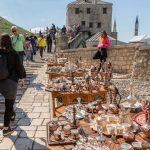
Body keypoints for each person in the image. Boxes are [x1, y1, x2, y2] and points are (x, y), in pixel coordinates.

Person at [0, 33, 26, 136]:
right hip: (10, 82)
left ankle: (12, 116)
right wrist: (22, 79)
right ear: (10, 42)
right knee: (9, 106)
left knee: (9, 107)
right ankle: (6, 128)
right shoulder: (14, 53)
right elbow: (19, 67)